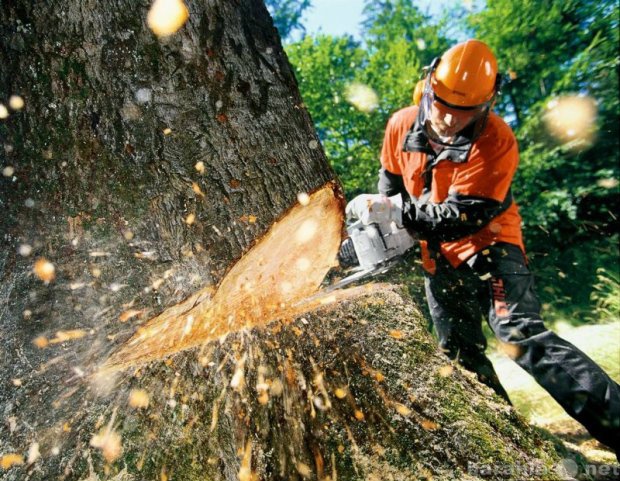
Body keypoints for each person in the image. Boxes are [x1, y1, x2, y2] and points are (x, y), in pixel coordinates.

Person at [345, 39, 619, 452]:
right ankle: (517, 451)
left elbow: (460, 218)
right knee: (459, 354)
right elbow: (391, 183)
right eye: (441, 105)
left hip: (491, 247)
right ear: (429, 87)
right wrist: (382, 219)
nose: (447, 120)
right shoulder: (401, 125)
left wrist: (396, 211)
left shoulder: (496, 140)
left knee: (520, 335)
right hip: (435, 258)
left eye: (463, 112)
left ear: (485, 104)